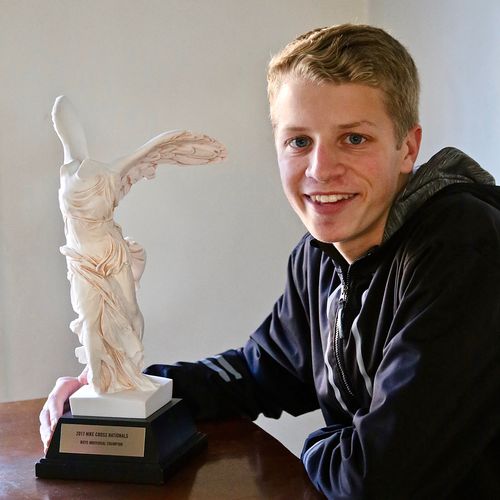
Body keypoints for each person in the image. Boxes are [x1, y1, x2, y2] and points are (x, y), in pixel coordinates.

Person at [40, 24, 500, 499]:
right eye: (299, 141)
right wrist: (129, 388)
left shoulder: (465, 247)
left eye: (354, 139)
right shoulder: (320, 256)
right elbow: (263, 370)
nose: (320, 169)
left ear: (407, 147)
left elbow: (381, 479)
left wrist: (315, 445)